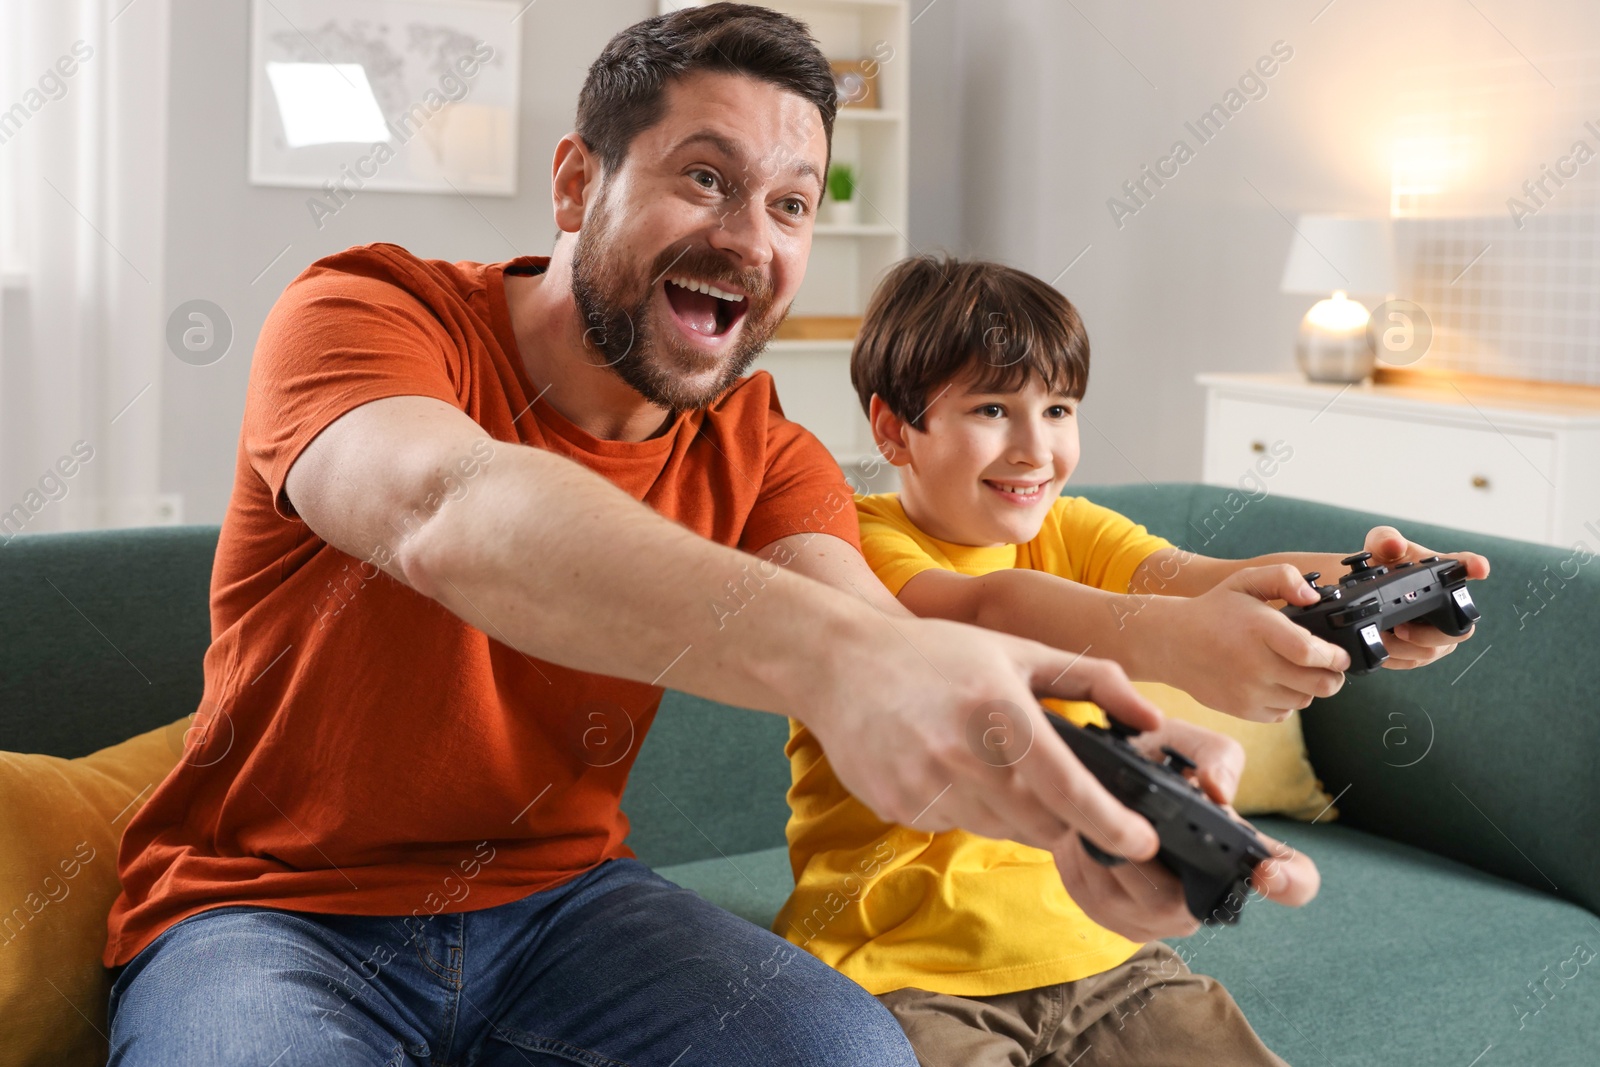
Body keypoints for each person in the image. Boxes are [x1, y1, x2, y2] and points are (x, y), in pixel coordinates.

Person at [101, 8, 1259, 1065]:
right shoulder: (369, 312)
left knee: (848, 1056)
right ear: (574, 184)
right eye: (705, 178)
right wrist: (850, 660)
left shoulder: (767, 451)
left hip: (565, 907)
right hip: (265, 911)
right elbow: (440, 504)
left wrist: (1078, 800)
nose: (749, 240)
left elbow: (868, 632)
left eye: (792, 204)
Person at [775, 255, 1489, 1066]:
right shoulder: (852, 543)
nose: (1033, 447)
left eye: (1057, 408)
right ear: (894, 428)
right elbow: (985, 610)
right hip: (905, 974)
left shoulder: (1070, 530)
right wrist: (1172, 637)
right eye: (991, 408)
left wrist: (1365, 583)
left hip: (1107, 953)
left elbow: (1209, 580)